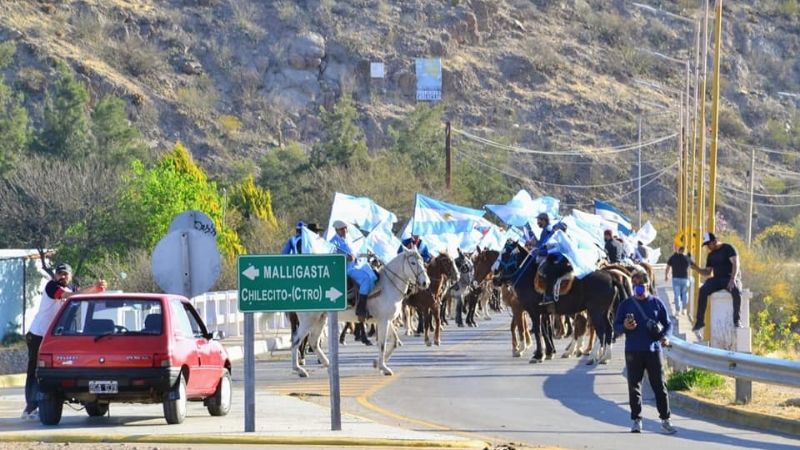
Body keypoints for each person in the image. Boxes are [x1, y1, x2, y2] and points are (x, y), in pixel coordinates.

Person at [22, 263, 106, 420]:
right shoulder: (52, 286)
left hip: (51, 337)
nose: (62, 276)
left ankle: (40, 404)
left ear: (71, 276)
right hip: (38, 335)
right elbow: (69, 296)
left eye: (65, 274)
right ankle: (30, 409)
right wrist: (93, 287)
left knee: (48, 372)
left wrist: (98, 289)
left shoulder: (71, 288)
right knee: (35, 372)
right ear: (55, 275)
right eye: (60, 273)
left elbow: (79, 294)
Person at [613, 271, 676, 435]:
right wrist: (625, 326)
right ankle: (636, 420)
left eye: (640, 285)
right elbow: (616, 327)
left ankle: (665, 420)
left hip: (653, 351)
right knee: (634, 386)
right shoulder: (626, 304)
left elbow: (668, 324)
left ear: (647, 285)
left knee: (659, 386)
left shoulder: (656, 303)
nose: (637, 288)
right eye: (634, 285)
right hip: (633, 351)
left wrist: (666, 337)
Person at [330, 220, 376, 346]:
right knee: (365, 280)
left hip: (357, 265)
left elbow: (356, 253)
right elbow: (331, 256)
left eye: (345, 228)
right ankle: (361, 309)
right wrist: (345, 257)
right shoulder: (333, 242)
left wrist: (365, 254)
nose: (344, 230)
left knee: (373, 276)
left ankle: (368, 304)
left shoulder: (349, 239)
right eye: (342, 229)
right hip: (346, 269)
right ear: (336, 230)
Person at [689, 232, 743, 334]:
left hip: (729, 278)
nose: (708, 247)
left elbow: (736, 264)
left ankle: (737, 320)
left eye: (708, 244)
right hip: (717, 279)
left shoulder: (728, 248)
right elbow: (708, 273)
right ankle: (700, 322)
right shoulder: (711, 255)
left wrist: (733, 279)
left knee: (736, 291)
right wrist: (696, 268)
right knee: (703, 290)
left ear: (714, 241)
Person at [665, 246, 692, 316]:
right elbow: (692, 266)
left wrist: (666, 275)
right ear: (684, 251)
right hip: (685, 279)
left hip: (676, 279)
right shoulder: (687, 258)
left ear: (679, 250)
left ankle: (677, 311)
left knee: (677, 295)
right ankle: (684, 309)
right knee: (685, 295)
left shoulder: (673, 257)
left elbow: (667, 267)